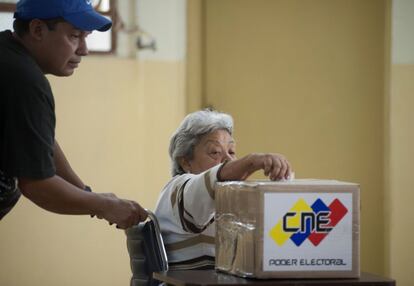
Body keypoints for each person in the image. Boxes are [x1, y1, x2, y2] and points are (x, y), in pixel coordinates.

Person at [0, 0, 147, 228]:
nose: (84, 50)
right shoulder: (24, 79)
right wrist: (102, 205)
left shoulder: (7, 53)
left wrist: (85, 192)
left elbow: (38, 141)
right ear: (37, 29)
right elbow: (37, 186)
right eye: (75, 36)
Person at [154, 110, 291, 270]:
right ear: (186, 162)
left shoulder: (227, 198)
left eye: (231, 151)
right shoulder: (178, 189)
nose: (229, 159)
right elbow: (212, 179)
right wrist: (251, 161)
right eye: (215, 152)